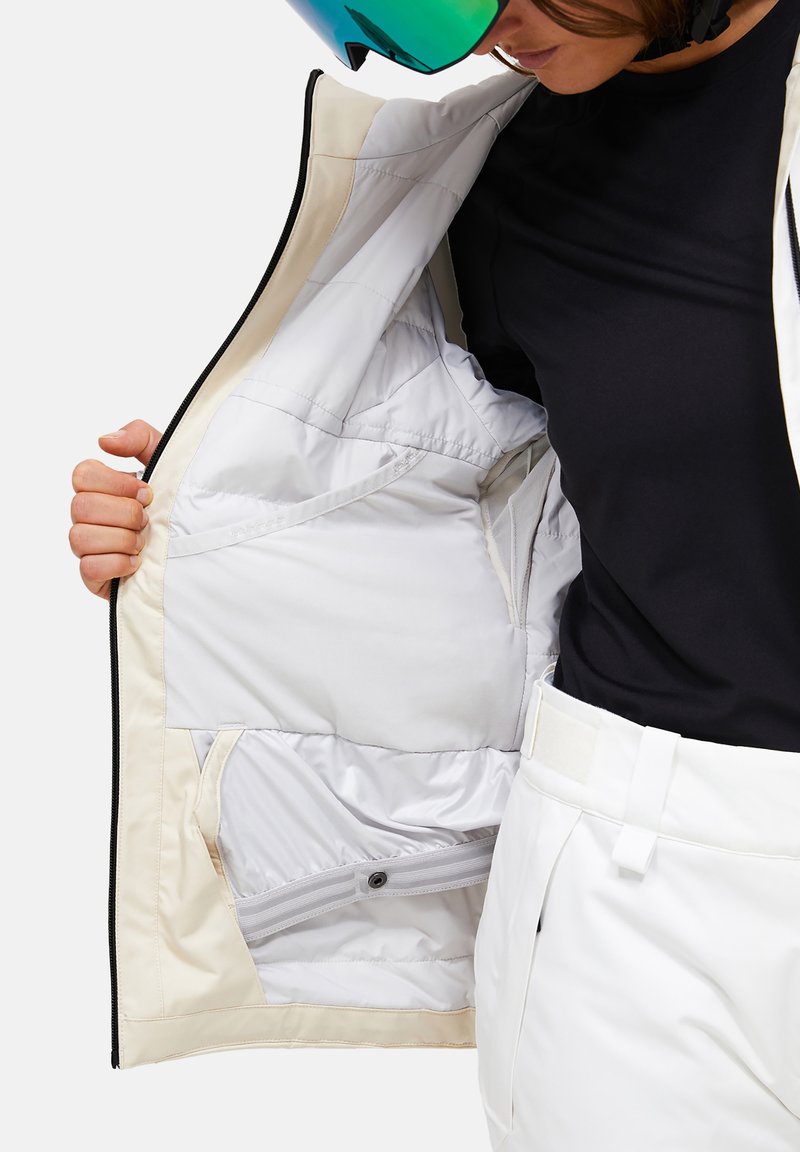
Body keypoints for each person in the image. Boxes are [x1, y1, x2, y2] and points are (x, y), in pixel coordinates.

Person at [70, 1, 800, 1148]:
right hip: (643, 882)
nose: (490, 28)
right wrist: (185, 520)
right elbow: (418, 475)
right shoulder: (505, 180)